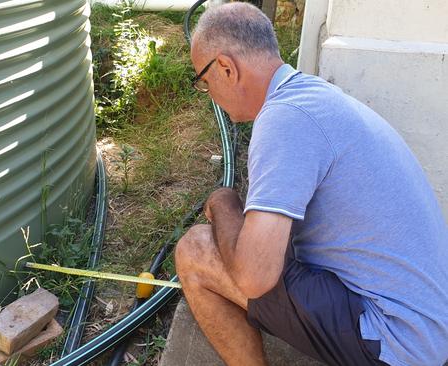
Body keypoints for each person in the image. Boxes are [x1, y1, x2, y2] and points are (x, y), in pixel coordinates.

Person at [175, 3, 448, 366]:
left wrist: (224, 202)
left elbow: (255, 277)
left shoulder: (285, 119)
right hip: (427, 325)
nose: (210, 94)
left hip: (399, 342)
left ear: (226, 67)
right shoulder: (312, 98)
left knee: (195, 250)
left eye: (205, 82)